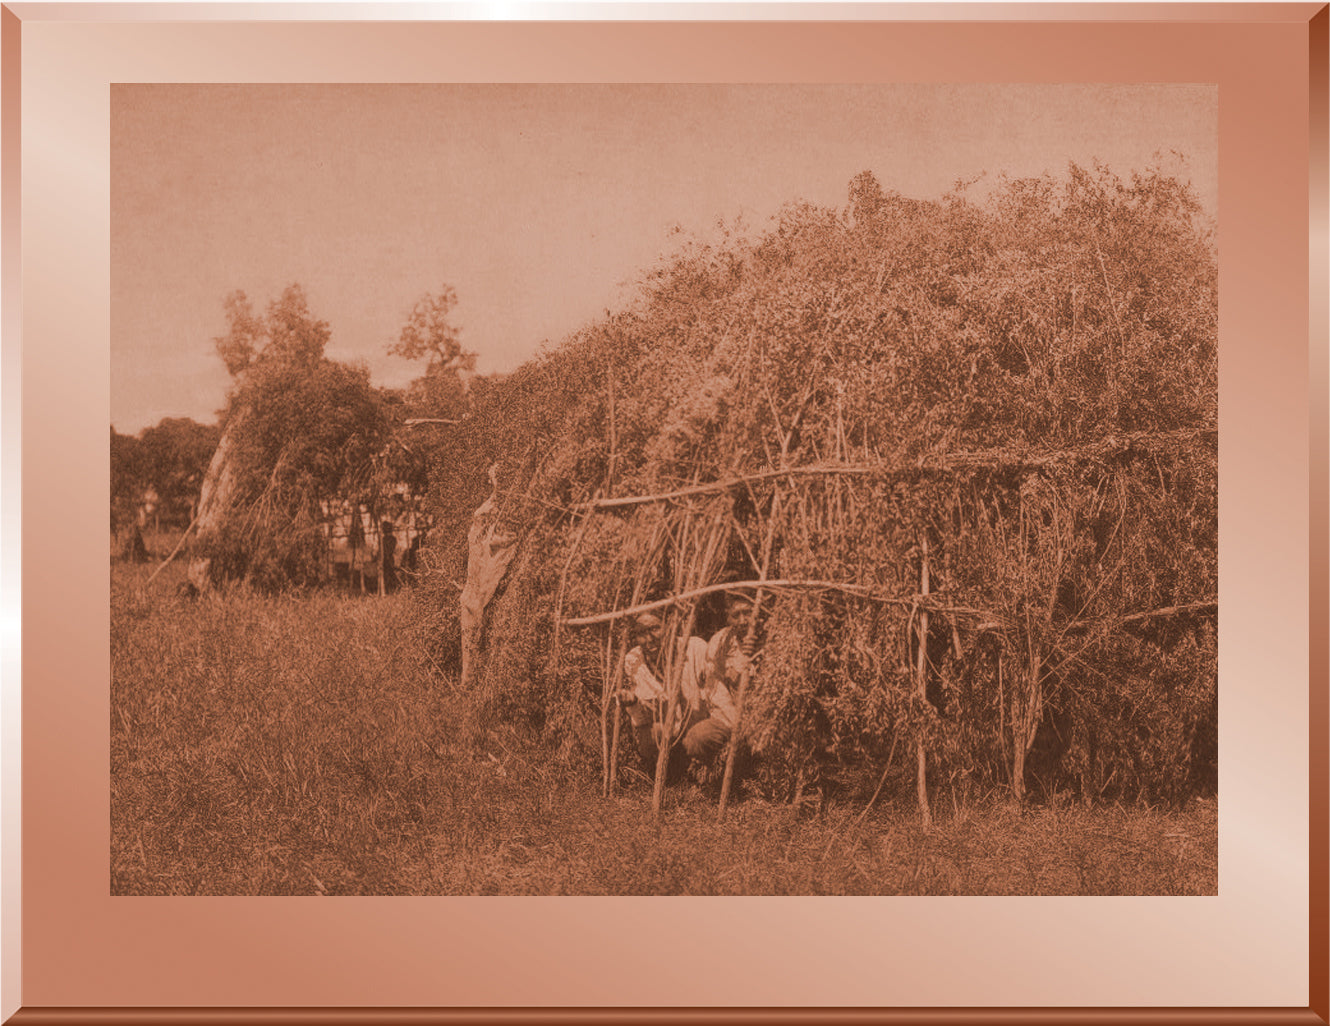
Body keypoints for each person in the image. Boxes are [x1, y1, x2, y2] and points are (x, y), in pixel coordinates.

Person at [617, 612, 726, 779]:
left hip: (697, 730)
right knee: (653, 736)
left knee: (698, 737)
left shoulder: (696, 648)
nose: (649, 639)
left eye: (655, 629)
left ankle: (707, 771)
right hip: (669, 733)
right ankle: (672, 775)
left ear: (669, 626)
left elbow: (717, 692)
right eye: (641, 633)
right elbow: (643, 719)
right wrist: (632, 703)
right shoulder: (634, 660)